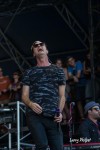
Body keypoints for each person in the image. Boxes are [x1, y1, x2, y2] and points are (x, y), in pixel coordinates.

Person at [22, 41, 66, 150]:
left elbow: (62, 96)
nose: (39, 46)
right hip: (35, 116)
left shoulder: (58, 71)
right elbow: (24, 96)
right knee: (42, 145)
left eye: (41, 44)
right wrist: (31, 104)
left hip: (52, 116)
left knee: (58, 147)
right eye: (35, 46)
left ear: (46, 50)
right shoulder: (29, 72)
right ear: (34, 53)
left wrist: (59, 112)